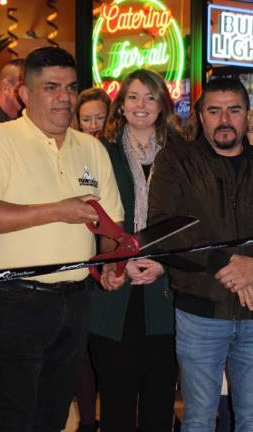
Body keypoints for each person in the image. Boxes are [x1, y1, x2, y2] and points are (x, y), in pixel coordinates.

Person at [0, 46, 124, 432]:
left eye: (70, 87)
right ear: (24, 93)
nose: (64, 98)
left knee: (53, 416)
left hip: (76, 298)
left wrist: (112, 265)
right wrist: (57, 210)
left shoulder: (92, 147)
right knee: (12, 419)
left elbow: (110, 227)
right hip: (14, 298)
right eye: (51, 87)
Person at [149, 77, 253, 431]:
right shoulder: (176, 161)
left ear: (247, 115)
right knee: (198, 418)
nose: (224, 119)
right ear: (200, 115)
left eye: (234, 110)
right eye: (214, 110)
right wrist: (224, 263)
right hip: (200, 313)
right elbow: (165, 226)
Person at [88, 69, 179, 432]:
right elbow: (91, 217)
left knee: (159, 399)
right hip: (114, 293)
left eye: (151, 97)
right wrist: (110, 265)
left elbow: (191, 220)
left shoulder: (180, 154)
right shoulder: (100, 153)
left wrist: (163, 263)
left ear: (162, 105)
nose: (141, 105)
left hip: (165, 293)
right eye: (133, 97)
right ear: (121, 105)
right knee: (115, 399)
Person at [72, 86, 111, 432]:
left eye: (100, 117)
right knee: (79, 350)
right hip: (78, 265)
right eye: (87, 118)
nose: (94, 125)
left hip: (104, 264)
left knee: (96, 347)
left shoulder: (110, 155)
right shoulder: (72, 153)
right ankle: (86, 419)